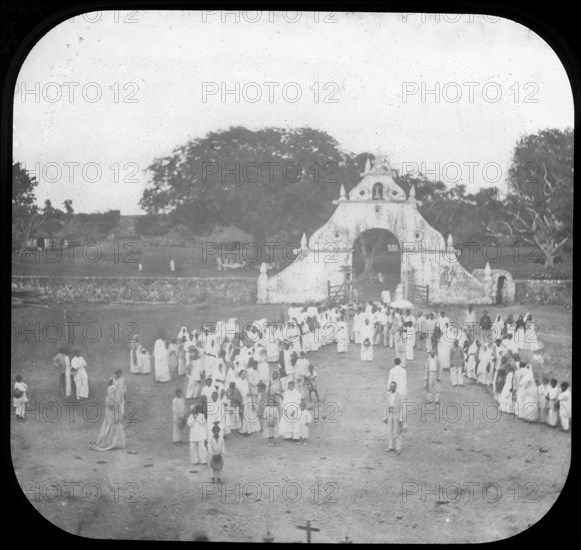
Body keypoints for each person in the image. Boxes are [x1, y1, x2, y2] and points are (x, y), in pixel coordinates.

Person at [93, 382, 126, 451]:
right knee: (113, 430)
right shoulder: (110, 400)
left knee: (111, 430)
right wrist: (118, 417)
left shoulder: (109, 398)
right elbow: (116, 409)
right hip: (112, 418)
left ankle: (117, 443)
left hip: (110, 417)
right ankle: (113, 443)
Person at [383, 381, 404, 454]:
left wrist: (401, 418)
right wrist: (385, 416)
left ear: (396, 387)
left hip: (397, 415)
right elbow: (386, 406)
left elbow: (402, 407)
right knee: (390, 431)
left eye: (393, 386)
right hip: (390, 414)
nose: (392, 388)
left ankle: (398, 448)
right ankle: (390, 446)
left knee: (397, 431)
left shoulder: (399, 395)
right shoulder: (387, 395)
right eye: (391, 386)